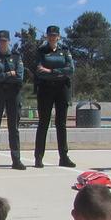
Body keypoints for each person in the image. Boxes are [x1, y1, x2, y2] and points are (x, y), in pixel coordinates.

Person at [34, 25, 76, 168]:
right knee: (43, 123)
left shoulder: (64, 51)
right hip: (45, 89)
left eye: (55, 35)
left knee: (61, 124)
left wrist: (50, 70)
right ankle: (38, 157)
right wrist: (58, 72)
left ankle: (63, 157)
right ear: (46, 36)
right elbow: (39, 71)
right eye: (50, 35)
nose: (52, 37)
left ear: (58, 36)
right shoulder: (41, 51)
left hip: (62, 89)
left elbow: (70, 69)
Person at [0, 30, 26, 170]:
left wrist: (1, 76)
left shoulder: (16, 57)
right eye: (0, 40)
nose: (2, 43)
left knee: (13, 128)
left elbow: (20, 76)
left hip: (13, 94)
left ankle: (16, 160)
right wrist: (8, 74)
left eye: (4, 40)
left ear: (8, 41)